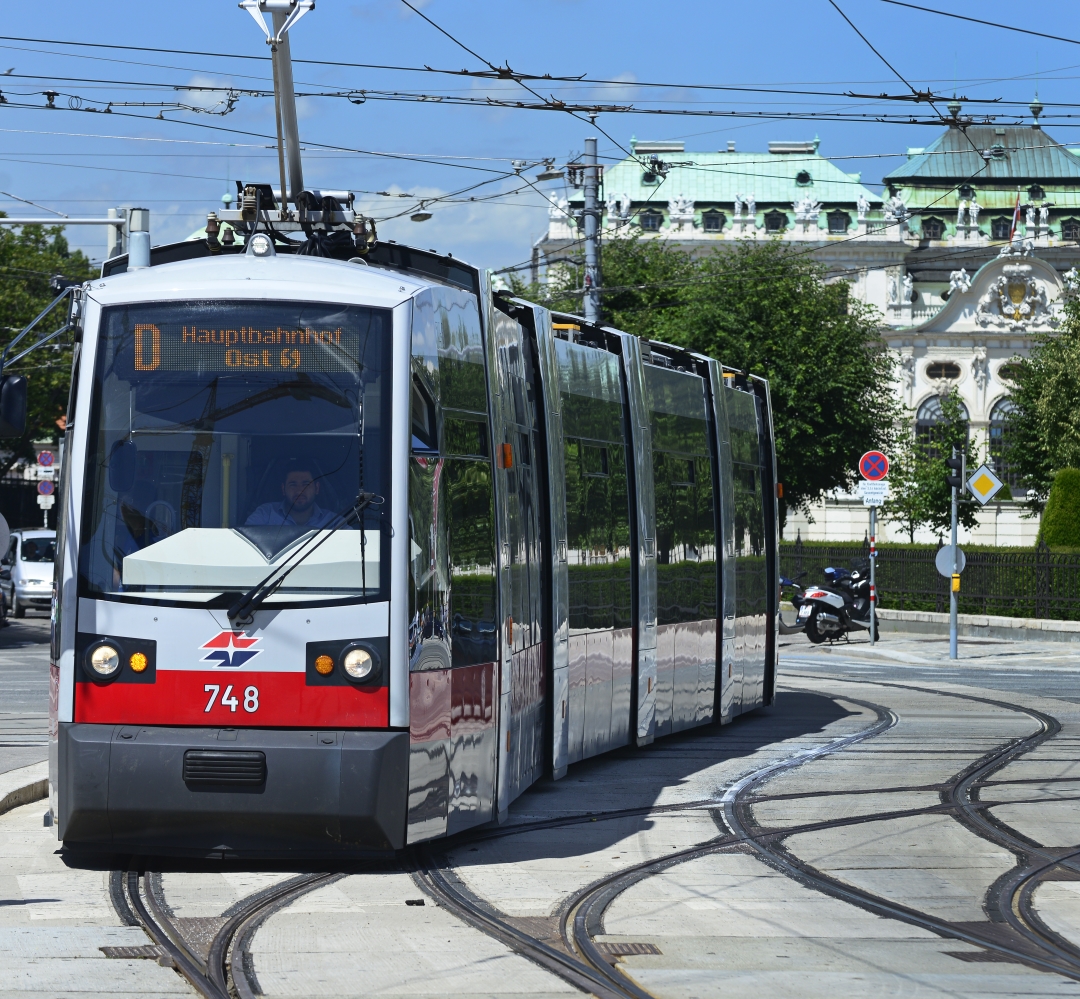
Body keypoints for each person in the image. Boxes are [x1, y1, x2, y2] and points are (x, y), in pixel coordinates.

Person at [246, 463, 343, 528]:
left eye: (306, 484)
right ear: (283, 489)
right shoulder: (265, 514)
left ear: (317, 488)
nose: (300, 490)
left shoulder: (334, 522)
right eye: (293, 484)